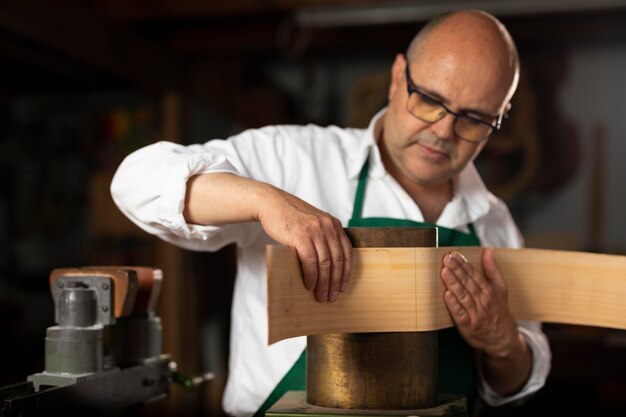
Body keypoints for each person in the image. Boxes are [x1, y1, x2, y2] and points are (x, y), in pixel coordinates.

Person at [111, 9, 551, 417]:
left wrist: (505, 346)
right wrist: (265, 201)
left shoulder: (493, 222)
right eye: (430, 100)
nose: (443, 130)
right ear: (399, 77)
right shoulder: (293, 158)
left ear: (500, 116)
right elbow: (136, 181)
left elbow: (514, 382)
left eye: (473, 118)